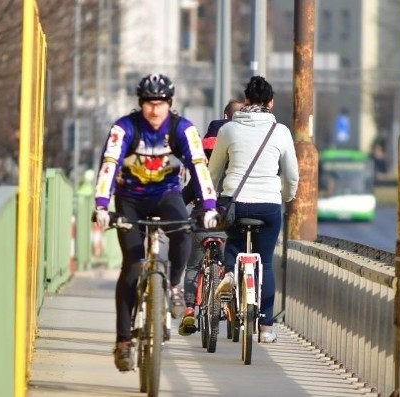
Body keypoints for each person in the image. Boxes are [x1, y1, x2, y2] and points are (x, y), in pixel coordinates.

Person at [92, 73, 219, 372]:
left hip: (166, 195)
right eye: (149, 103)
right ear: (141, 104)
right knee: (133, 266)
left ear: (169, 104)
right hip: (130, 200)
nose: (154, 110)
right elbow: (109, 165)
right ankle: (124, 341)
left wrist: (209, 205)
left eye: (160, 103)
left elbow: (199, 167)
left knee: (184, 232)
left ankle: (173, 286)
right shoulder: (124, 128)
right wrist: (101, 205)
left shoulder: (182, 129)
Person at [208, 76, 299, 343]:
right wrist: (285, 196)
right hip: (269, 204)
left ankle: (229, 275)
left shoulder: (228, 130)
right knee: (266, 263)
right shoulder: (281, 132)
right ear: (271, 102)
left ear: (245, 101)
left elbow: (213, 171)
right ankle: (267, 328)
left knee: (234, 245)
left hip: (235, 201)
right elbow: (292, 175)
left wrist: (211, 197)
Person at [178, 99, 244, 336]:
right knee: (234, 260)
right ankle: (234, 303)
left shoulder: (202, 154)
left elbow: (188, 192)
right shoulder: (240, 150)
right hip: (228, 220)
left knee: (194, 267)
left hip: (201, 219)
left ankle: (188, 310)